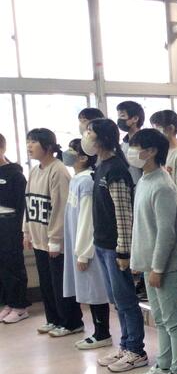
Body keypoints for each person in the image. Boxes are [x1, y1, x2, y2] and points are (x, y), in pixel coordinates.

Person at [128, 129, 177, 374]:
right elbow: (143, 227)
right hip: (150, 265)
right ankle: (164, 365)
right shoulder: (145, 179)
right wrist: (139, 261)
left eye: (136, 147)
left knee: (173, 321)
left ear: (152, 151)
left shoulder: (163, 185)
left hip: (165, 266)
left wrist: (157, 268)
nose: (131, 152)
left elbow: (166, 233)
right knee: (161, 320)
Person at [88, 118, 147, 373]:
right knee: (116, 299)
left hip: (115, 246)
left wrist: (124, 251)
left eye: (90, 132)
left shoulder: (116, 170)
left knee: (125, 299)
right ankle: (125, 344)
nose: (86, 136)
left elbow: (124, 215)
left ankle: (136, 350)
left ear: (102, 138)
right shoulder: (101, 166)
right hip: (102, 244)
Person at [24, 128, 84, 338]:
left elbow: (60, 208)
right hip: (39, 237)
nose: (29, 146)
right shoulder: (34, 170)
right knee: (47, 283)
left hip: (54, 240)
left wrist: (56, 239)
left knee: (60, 283)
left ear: (48, 146)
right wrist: (26, 231)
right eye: (28, 141)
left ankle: (71, 322)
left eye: (34, 142)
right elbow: (28, 203)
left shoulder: (58, 170)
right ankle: (54, 319)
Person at [61, 139, 112, 350]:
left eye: (72, 150)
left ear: (83, 157)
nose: (66, 153)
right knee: (88, 291)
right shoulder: (77, 179)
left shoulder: (87, 181)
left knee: (95, 290)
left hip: (87, 248)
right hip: (78, 246)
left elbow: (87, 220)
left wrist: (83, 252)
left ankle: (102, 333)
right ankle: (98, 332)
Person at [0, 132, 30, 324]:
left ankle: (20, 306)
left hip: (11, 225)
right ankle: (8, 303)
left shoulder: (15, 174)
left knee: (13, 264)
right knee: (2, 266)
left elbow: (22, 205)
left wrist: (23, 231)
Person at [116, 100, 145, 184]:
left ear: (135, 118)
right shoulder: (123, 144)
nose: (119, 120)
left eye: (122, 116)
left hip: (142, 184)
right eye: (118, 116)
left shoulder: (145, 142)